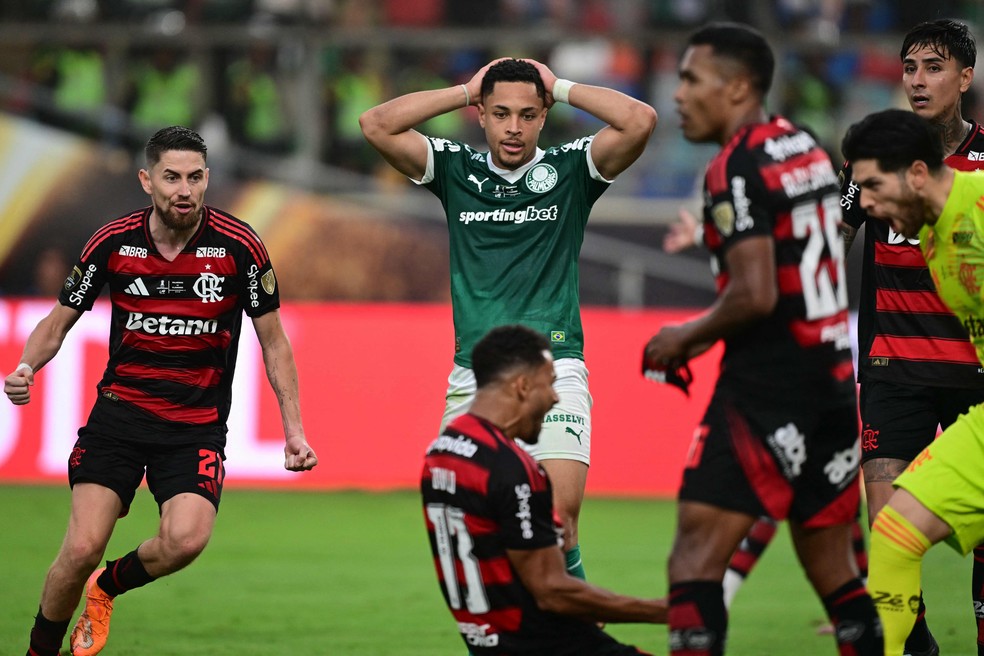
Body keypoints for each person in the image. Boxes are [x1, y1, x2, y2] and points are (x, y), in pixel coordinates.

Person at [663, 20, 984, 655]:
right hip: (892, 371)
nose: (918, 82)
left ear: (965, 78)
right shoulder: (871, 164)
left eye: (934, 68)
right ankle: (906, 647)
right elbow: (824, 240)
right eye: (910, 68)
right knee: (890, 530)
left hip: (973, 378)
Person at [6, 125, 318, 656]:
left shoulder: (240, 246)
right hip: (119, 417)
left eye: (195, 177)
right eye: (172, 177)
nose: (184, 189)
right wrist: (26, 367)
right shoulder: (112, 241)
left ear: (208, 179)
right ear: (147, 180)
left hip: (195, 426)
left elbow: (274, 341)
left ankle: (107, 587)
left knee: (186, 541)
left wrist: (294, 430)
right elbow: (59, 321)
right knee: (80, 547)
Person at [361, 57, 657, 582]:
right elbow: (376, 124)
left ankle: (580, 635)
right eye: (499, 114)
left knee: (558, 522)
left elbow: (639, 120)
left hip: (554, 369)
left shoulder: (571, 171)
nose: (513, 128)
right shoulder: (456, 169)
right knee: (477, 537)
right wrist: (464, 90)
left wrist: (560, 86)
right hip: (474, 380)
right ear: (481, 116)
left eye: (526, 114)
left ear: (544, 116)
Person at [643, 23, 881, 655]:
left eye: (692, 78)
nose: (679, 93)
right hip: (833, 381)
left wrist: (682, 338)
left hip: (770, 386)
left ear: (738, 86)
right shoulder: (802, 145)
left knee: (694, 559)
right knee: (837, 574)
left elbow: (755, 294)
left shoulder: (736, 164)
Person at [421, 323, 666, 654]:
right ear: (522, 386)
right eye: (549, 384)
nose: (555, 397)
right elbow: (552, 591)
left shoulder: (440, 453)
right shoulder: (511, 468)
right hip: (545, 645)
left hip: (488, 643)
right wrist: (664, 609)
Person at [841, 107, 984, 656]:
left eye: (873, 187)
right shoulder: (930, 240)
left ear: (918, 174)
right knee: (895, 533)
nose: (867, 205)